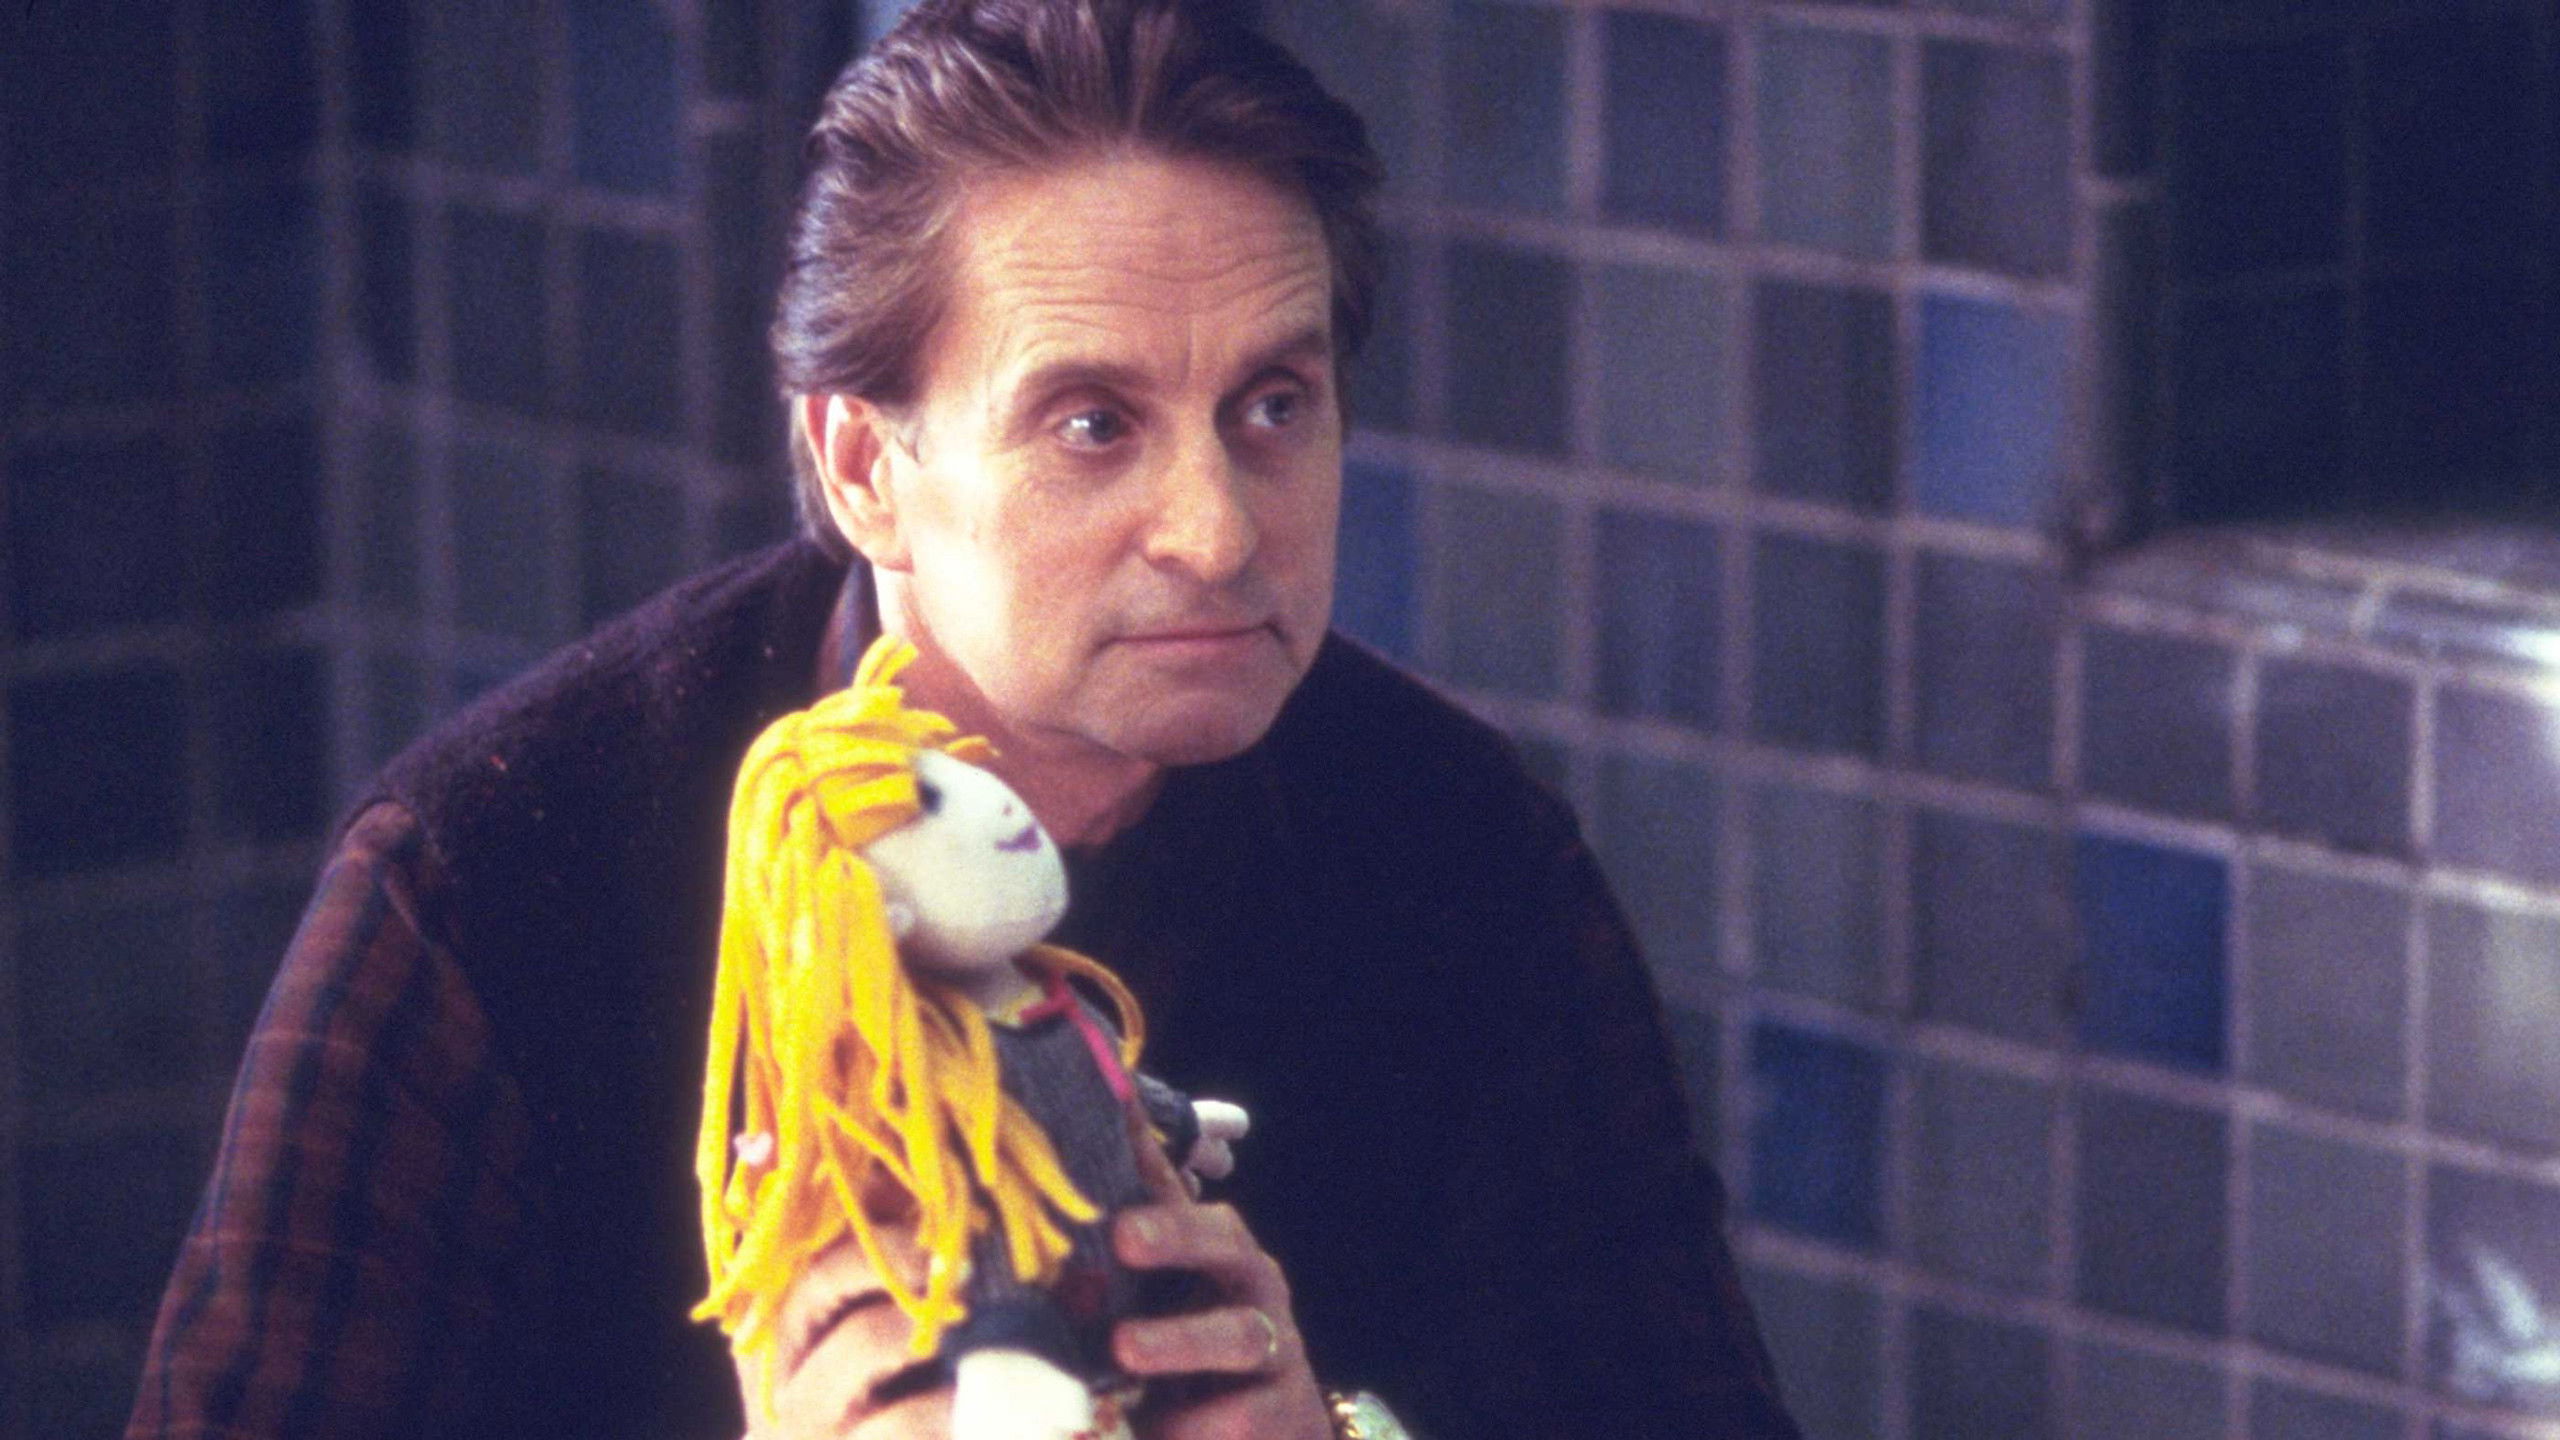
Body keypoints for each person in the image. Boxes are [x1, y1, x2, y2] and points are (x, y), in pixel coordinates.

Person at [125, 2, 1800, 1438]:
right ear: (864, 466)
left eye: (1273, 405)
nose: (1218, 530)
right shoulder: (491, 884)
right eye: (1092, 424)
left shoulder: (1460, 855)